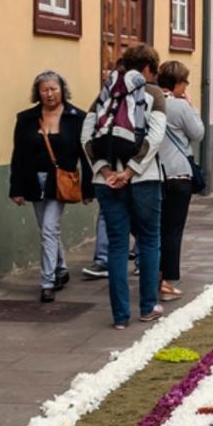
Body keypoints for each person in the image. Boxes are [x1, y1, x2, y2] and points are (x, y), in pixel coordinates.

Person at [82, 44, 168, 329]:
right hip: (143, 179)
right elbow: (154, 138)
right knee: (149, 239)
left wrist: (106, 170)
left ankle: (120, 317)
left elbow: (86, 136)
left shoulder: (105, 93)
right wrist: (130, 172)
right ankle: (147, 307)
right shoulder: (153, 93)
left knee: (117, 246)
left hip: (105, 181)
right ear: (147, 69)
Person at [9, 71, 93, 303]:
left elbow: (86, 156)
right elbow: (18, 155)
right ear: (37, 92)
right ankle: (61, 268)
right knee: (48, 231)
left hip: (61, 182)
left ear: (62, 90)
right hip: (33, 181)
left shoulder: (77, 118)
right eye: (44, 89)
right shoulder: (26, 118)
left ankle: (47, 282)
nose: (49, 94)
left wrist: (88, 189)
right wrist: (15, 189)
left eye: (53, 89)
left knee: (48, 230)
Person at [156, 61, 204, 302]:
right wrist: (191, 107)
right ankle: (167, 281)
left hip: (151, 175)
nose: (186, 85)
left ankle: (153, 275)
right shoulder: (178, 106)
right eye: (185, 81)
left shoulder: (147, 102)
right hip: (177, 174)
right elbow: (198, 133)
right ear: (176, 83)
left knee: (154, 229)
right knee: (173, 230)